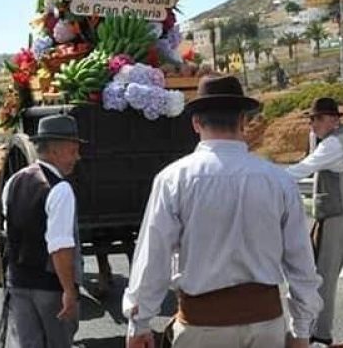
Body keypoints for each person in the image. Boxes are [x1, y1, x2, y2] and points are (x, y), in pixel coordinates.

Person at [124, 75, 322, 348]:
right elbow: (301, 264)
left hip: (202, 326)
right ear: (244, 121)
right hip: (266, 325)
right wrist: (301, 331)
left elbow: (153, 258)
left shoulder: (173, 179)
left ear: (195, 123)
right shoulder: (279, 181)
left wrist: (140, 323)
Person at [284, 97, 343, 344]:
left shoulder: (333, 145)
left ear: (334, 120)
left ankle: (320, 334)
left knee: (323, 280)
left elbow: (300, 170)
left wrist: (261, 175)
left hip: (339, 219)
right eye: (311, 118)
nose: (312, 123)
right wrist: (314, 137)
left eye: (318, 118)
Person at [0, 115, 84, 348]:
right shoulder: (60, 189)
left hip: (18, 283)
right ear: (55, 151)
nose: (77, 157)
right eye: (73, 150)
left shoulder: (14, 181)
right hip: (50, 288)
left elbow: (10, 231)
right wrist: (69, 290)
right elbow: (60, 247)